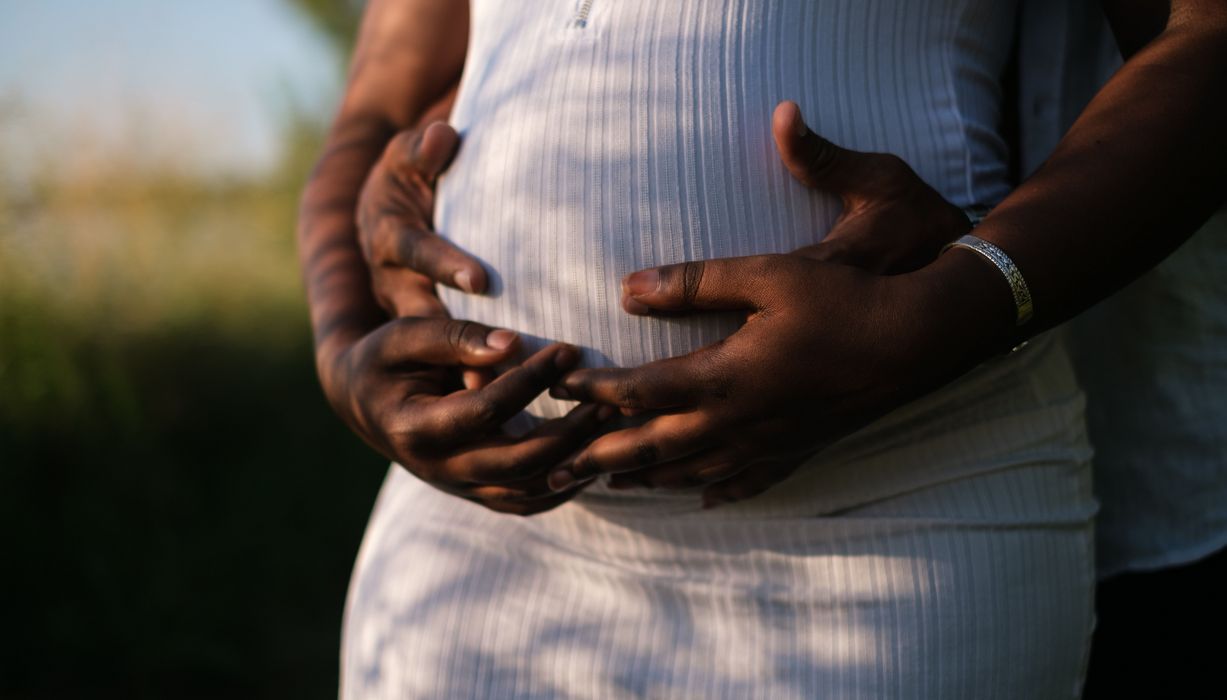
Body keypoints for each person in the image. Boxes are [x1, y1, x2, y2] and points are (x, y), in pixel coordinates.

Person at [296, 0, 1227, 696]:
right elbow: (378, 105)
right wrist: (343, 350)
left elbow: (1203, 37)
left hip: (900, 516)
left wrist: (952, 308)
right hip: (473, 545)